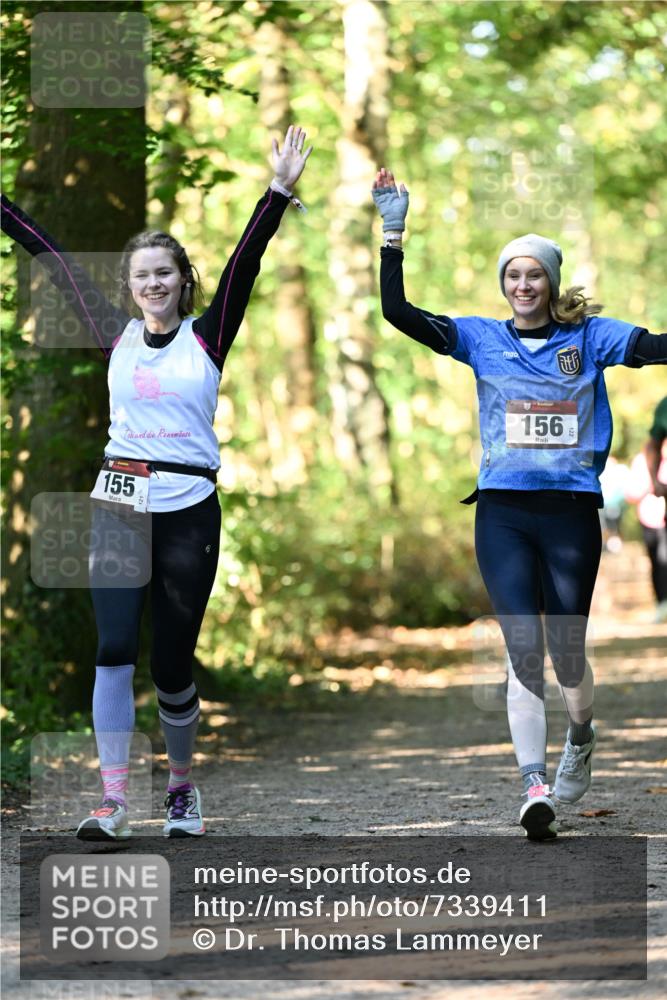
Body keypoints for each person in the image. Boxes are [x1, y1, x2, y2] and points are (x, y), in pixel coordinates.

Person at [2, 125, 312, 840]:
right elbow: (47, 253)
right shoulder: (114, 335)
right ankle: (112, 801)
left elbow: (247, 260)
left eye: (164, 273)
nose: (153, 284)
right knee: (113, 647)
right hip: (118, 500)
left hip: (189, 508)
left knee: (171, 664)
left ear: (182, 281)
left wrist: (277, 193)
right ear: (129, 286)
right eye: (142, 275)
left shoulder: (209, 337)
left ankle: (179, 788)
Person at [372, 167, 667, 840]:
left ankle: (582, 733)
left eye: (534, 276)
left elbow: (653, 349)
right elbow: (397, 313)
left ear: (551, 282)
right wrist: (393, 232)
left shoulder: (588, 338)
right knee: (521, 648)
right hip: (501, 510)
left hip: (567, 511)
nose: (523, 286)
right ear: (502, 284)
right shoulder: (481, 338)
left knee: (566, 653)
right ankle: (533, 784)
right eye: (512, 276)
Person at [626, 397, 667, 623]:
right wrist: (654, 484)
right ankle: (662, 602)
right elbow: (632, 492)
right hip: (651, 518)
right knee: (659, 560)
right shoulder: (643, 460)